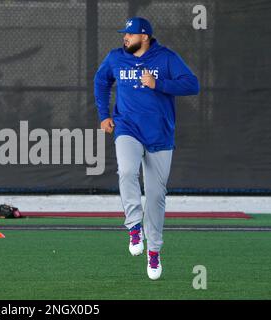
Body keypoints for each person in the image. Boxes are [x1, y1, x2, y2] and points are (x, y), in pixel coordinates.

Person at [94, 17, 199, 280]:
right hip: (127, 128)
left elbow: (192, 84)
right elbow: (101, 80)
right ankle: (133, 226)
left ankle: (154, 252)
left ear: (144, 36)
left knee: (155, 195)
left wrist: (158, 84)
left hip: (160, 135)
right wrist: (103, 114)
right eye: (124, 35)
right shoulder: (116, 58)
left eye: (129, 35)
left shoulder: (166, 58)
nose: (124, 38)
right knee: (127, 172)